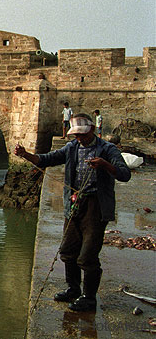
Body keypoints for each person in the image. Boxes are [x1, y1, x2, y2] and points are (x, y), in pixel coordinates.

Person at [14, 113, 131, 312]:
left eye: (82, 135)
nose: (79, 139)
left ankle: (89, 297)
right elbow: (46, 160)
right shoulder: (72, 148)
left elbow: (124, 174)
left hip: (95, 207)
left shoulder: (108, 149)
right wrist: (25, 154)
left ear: (92, 130)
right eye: (76, 136)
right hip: (74, 204)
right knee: (68, 251)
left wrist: (104, 164)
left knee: (88, 255)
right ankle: (73, 289)